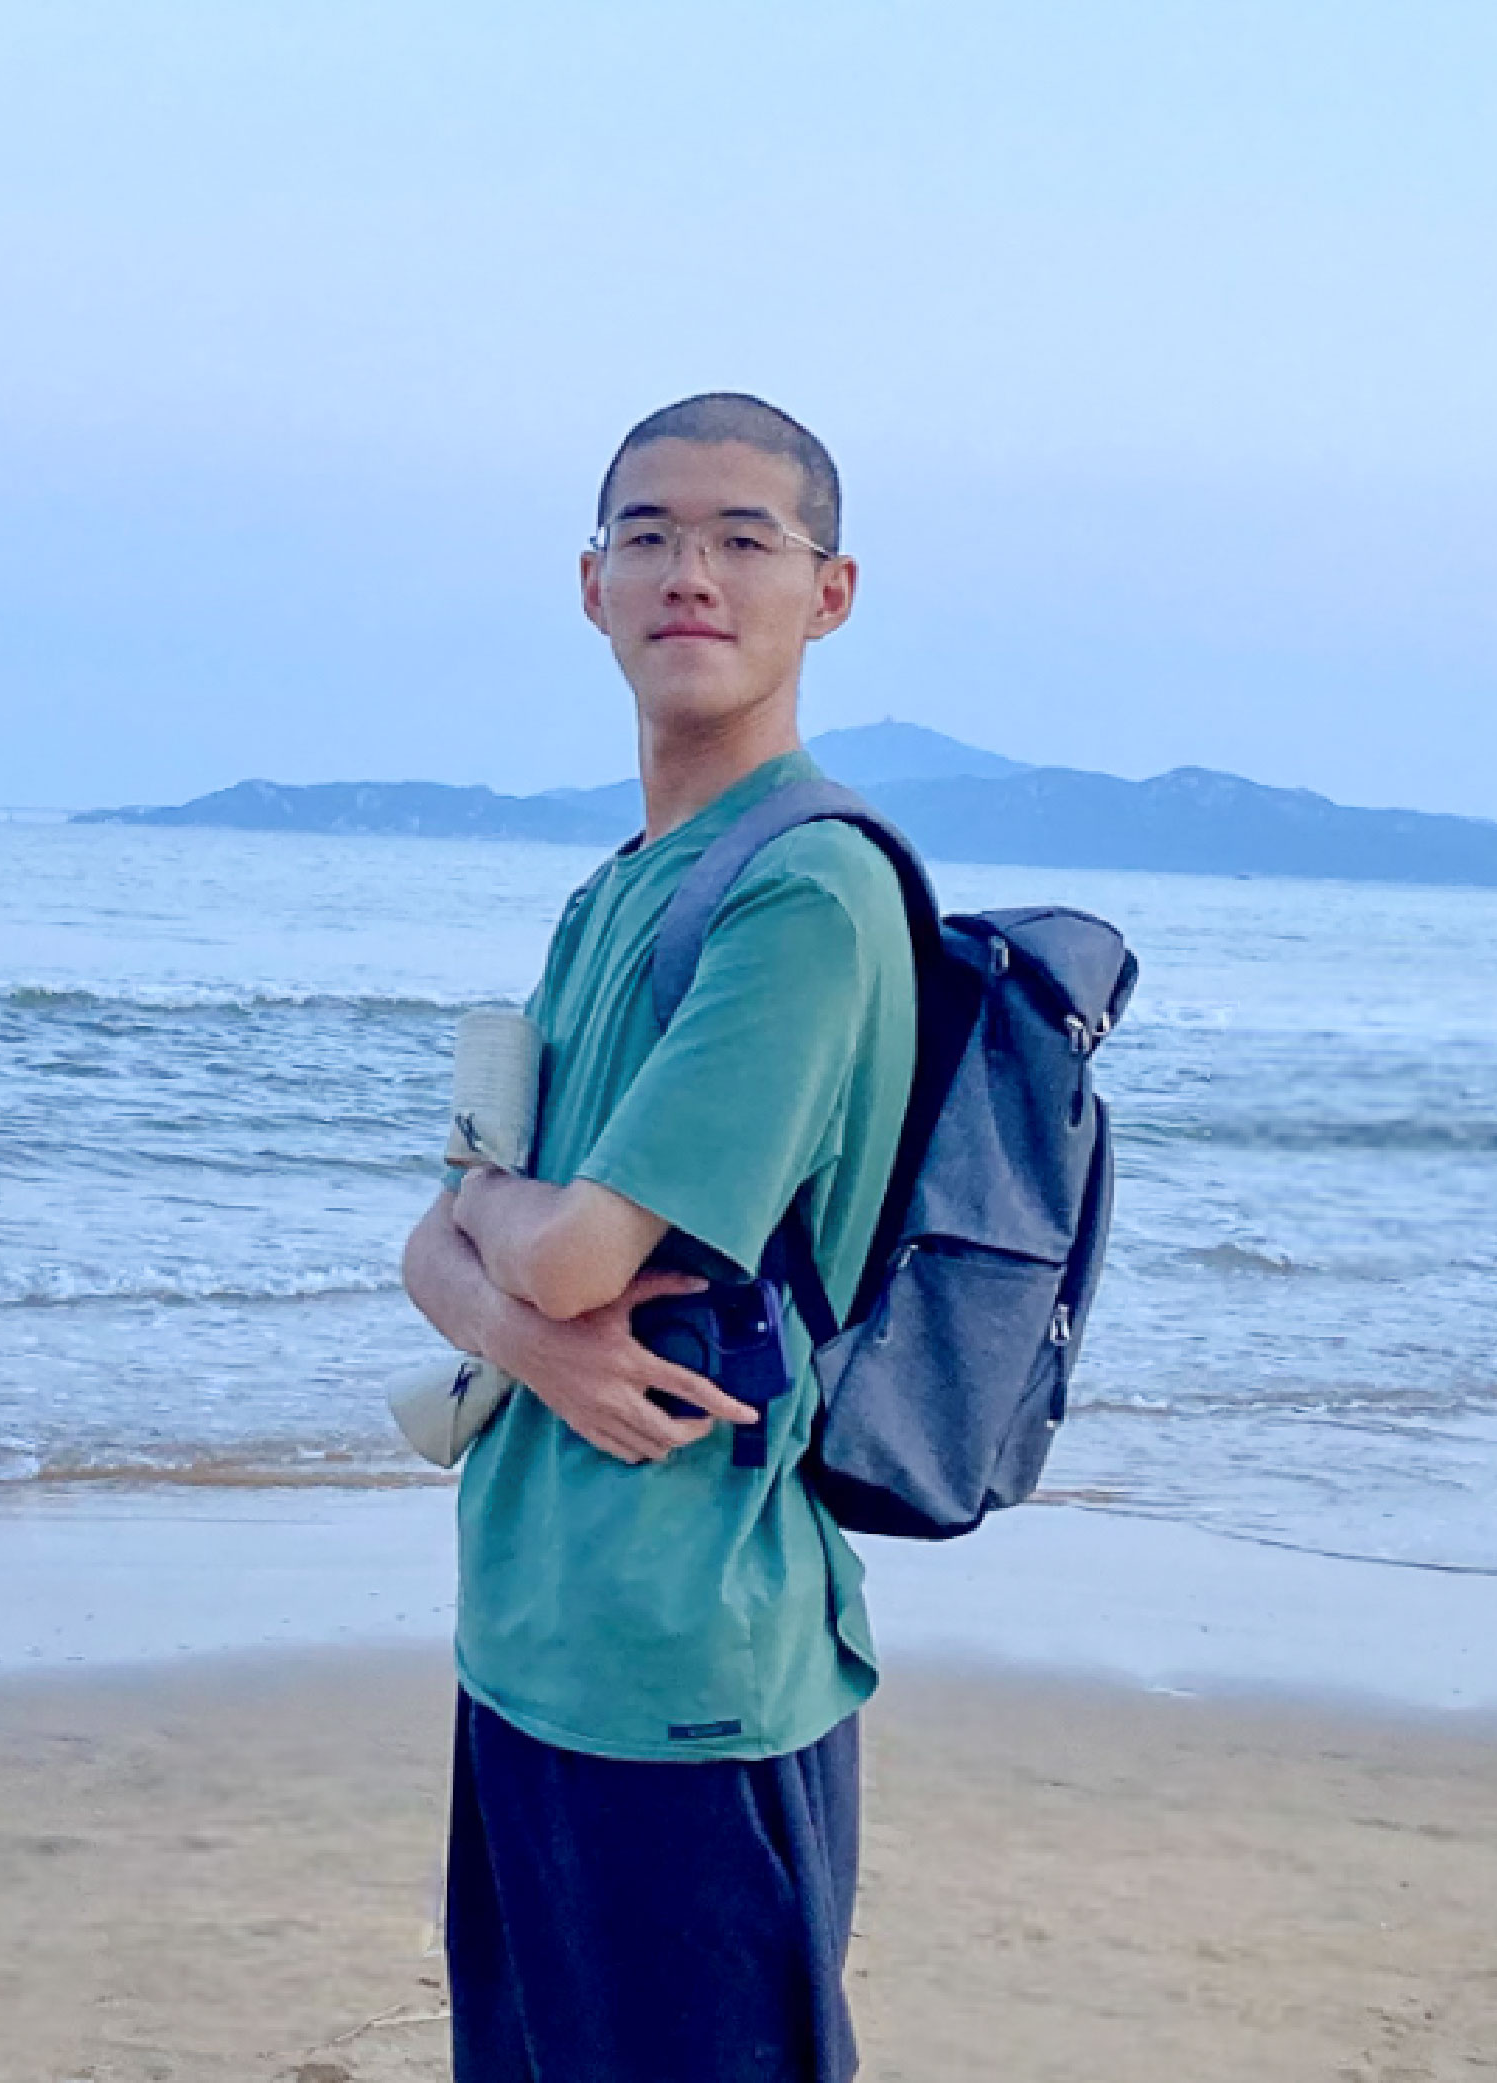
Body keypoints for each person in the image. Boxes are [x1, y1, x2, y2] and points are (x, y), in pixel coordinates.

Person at [398, 393, 918, 2082]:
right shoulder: (617, 888)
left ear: (825, 595)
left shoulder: (805, 889)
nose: (689, 572)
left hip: (694, 1662)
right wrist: (523, 1317)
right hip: (531, 1632)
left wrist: (509, 1258)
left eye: (742, 539)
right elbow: (448, 1256)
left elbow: (548, 1249)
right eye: (648, 536)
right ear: (590, 584)